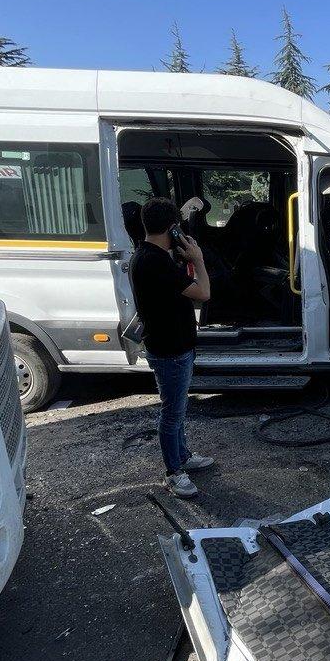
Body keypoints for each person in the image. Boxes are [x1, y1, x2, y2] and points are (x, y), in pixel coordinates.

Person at [129, 197, 213, 498]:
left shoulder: (147, 255)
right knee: (172, 413)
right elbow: (203, 293)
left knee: (177, 409)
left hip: (171, 345)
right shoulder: (155, 261)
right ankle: (174, 472)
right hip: (171, 350)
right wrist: (198, 258)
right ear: (173, 227)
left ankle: (183, 456)